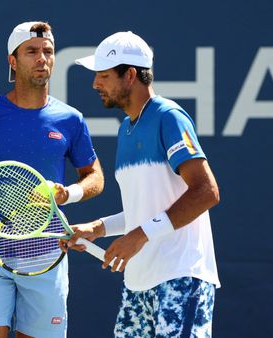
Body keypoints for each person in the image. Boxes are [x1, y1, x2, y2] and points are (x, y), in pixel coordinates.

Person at [0, 21, 104, 338]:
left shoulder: (71, 119)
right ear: (12, 61)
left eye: (48, 51)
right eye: (31, 51)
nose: (42, 58)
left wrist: (67, 194)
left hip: (47, 254)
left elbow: (95, 176)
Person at [66, 31, 221, 337]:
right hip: (138, 286)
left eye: (104, 75)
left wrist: (138, 236)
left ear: (130, 75)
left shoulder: (169, 118)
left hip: (181, 277)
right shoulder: (126, 128)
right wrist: (98, 228)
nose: (95, 84)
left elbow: (207, 192)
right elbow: (145, 210)